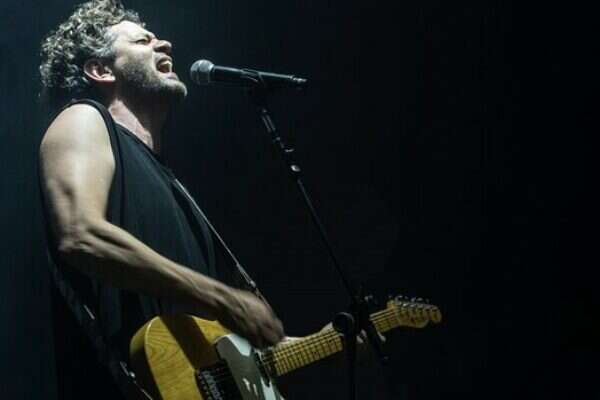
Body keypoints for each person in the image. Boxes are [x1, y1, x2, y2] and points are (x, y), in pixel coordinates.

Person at [38, 1, 285, 398]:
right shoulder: (82, 119)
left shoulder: (173, 185)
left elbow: (226, 349)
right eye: (142, 41)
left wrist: (326, 343)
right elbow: (80, 235)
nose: (165, 43)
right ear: (101, 70)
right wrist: (221, 296)